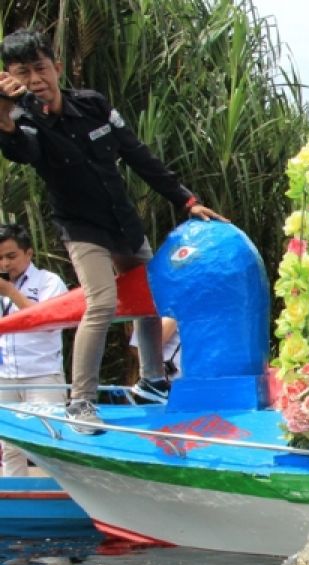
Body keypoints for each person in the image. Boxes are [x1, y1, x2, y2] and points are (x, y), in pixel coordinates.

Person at [0, 28, 224, 433]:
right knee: (101, 304)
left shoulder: (94, 104)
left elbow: (138, 155)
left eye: (40, 68)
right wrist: (7, 118)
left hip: (122, 221)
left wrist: (186, 200)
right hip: (83, 230)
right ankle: (80, 403)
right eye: (23, 72)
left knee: (154, 298)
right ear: (11, 77)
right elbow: (24, 150)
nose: (35, 80)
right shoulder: (24, 120)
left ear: (57, 67)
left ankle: (153, 381)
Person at [0, 222, 67, 475]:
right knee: (9, 445)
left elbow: (49, 322)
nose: (5, 264)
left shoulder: (49, 282)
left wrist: (9, 292)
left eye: (11, 256)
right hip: (5, 376)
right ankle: (14, 498)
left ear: (28, 253)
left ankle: (59, 496)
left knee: (49, 439)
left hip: (42, 375)